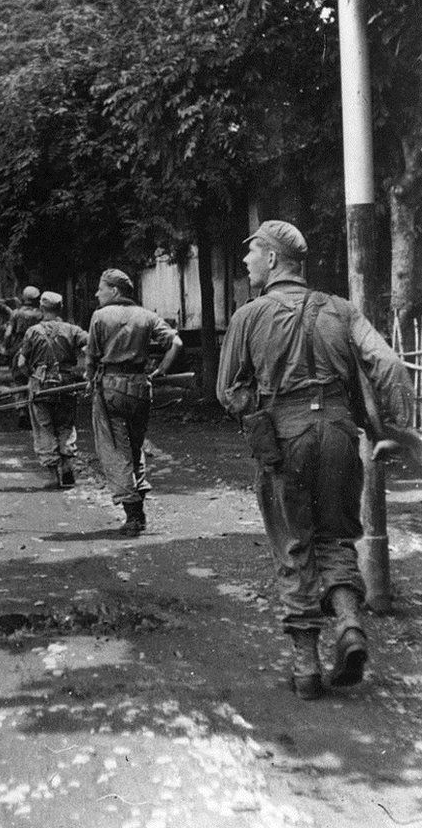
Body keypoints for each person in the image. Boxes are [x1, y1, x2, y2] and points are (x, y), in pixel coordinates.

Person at [216, 220, 416, 701]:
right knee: (336, 537)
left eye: (252, 254)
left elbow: (228, 391)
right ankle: (348, 624)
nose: (246, 262)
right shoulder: (341, 309)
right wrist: (400, 426)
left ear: (272, 259)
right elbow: (387, 364)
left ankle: (306, 668)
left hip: (285, 438)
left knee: (294, 546)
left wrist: (260, 409)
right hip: (340, 434)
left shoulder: (249, 315)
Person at [86, 269, 182, 536]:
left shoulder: (100, 316)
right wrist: (161, 370)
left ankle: (133, 515)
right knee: (135, 446)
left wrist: (89, 379)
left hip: (110, 390)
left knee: (115, 450)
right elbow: (176, 342)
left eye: (101, 288)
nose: (97, 293)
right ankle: (138, 504)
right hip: (140, 388)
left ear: (114, 291)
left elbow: (92, 356)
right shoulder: (147, 315)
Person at [18, 291, 88, 489]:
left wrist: (33, 375)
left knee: (43, 427)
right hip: (67, 383)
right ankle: (67, 466)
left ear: (42, 308)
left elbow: (22, 363)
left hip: (40, 384)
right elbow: (91, 345)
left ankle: (51, 474)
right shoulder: (73, 330)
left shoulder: (32, 332)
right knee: (66, 425)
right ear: (61, 308)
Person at [5, 286, 43, 425]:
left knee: (18, 379)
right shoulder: (41, 314)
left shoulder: (16, 313)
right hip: (38, 349)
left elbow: (8, 333)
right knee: (37, 378)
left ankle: (22, 410)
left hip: (19, 349)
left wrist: (5, 347)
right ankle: (37, 411)